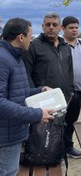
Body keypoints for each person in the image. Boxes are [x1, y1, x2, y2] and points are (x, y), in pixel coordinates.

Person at [0, 18, 54, 176]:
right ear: (20, 37)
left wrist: (38, 90)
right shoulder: (3, 58)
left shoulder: (15, 57)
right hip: (5, 137)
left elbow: (17, 93)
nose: (32, 40)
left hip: (12, 132)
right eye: (30, 36)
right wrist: (36, 115)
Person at [23, 12, 77, 157]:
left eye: (54, 25)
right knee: (41, 132)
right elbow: (26, 73)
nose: (51, 27)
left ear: (60, 27)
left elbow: (69, 70)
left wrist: (71, 89)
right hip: (43, 98)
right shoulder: (34, 46)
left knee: (62, 127)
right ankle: (41, 157)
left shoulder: (65, 47)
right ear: (42, 26)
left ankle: (60, 152)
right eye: (48, 25)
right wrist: (33, 95)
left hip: (64, 96)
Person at [62, 16, 81, 158]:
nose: (74, 30)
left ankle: (68, 148)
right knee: (58, 122)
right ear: (63, 29)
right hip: (61, 92)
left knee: (71, 121)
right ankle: (56, 151)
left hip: (78, 91)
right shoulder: (59, 45)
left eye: (76, 27)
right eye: (71, 28)